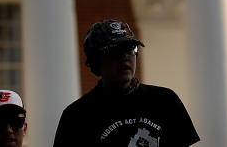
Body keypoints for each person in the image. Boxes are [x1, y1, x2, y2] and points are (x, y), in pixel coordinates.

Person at [53, 19, 200, 147]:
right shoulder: (77, 116)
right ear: (95, 63)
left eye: (130, 49)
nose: (125, 57)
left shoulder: (165, 101)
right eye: (114, 51)